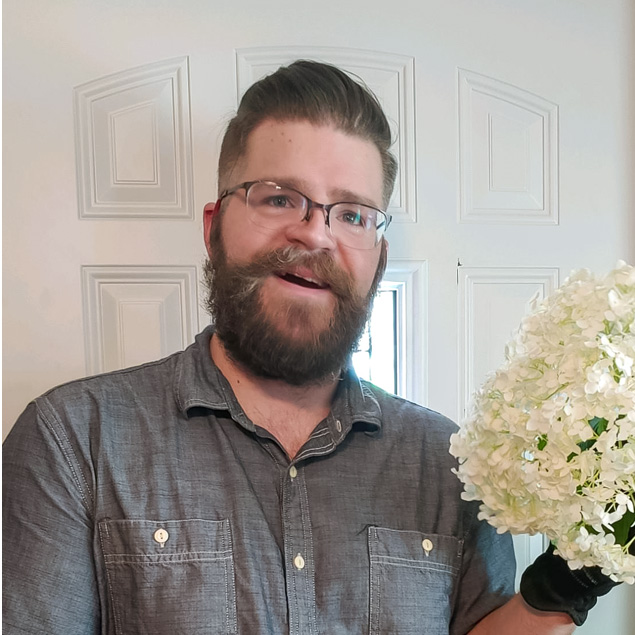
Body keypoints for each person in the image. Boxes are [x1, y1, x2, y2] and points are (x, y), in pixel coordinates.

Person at [2, 60, 617, 634]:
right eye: (278, 197)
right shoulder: (71, 441)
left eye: (352, 215)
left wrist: (567, 582)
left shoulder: (449, 465)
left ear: (378, 258)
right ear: (214, 226)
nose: (315, 233)